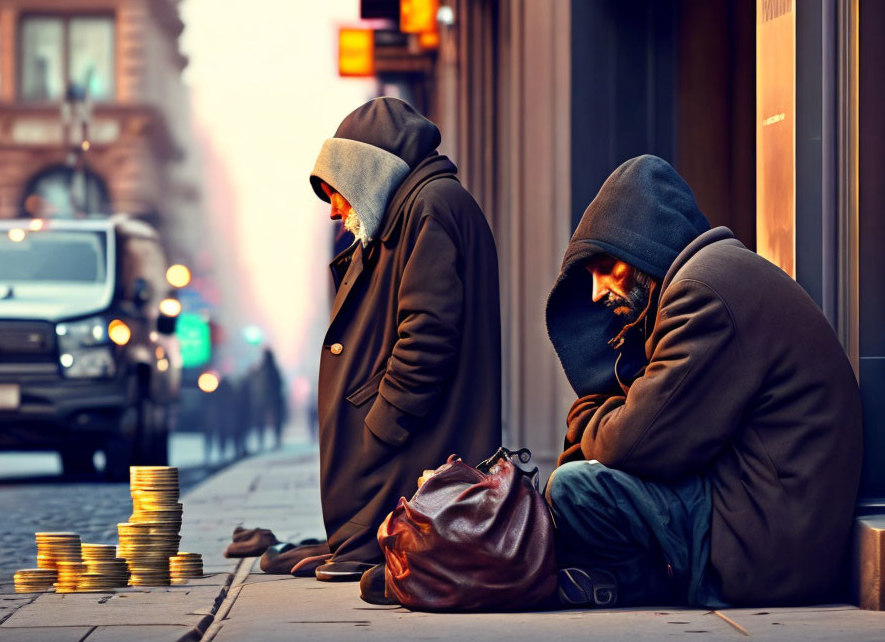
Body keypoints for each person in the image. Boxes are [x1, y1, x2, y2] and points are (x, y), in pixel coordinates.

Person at [543, 154, 863, 608]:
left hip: (765, 547)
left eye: (603, 268)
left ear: (643, 247)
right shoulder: (718, 276)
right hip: (771, 526)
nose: (596, 293)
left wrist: (591, 416)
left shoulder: (704, 294)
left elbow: (636, 446)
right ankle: (616, 582)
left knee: (577, 489)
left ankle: (633, 584)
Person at [231, 97, 502, 581]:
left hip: (414, 439)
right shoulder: (412, 210)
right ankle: (365, 543)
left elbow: (428, 333)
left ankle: (387, 548)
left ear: (368, 172)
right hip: (406, 441)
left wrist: (383, 423)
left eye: (336, 191)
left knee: (383, 545)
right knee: (334, 554)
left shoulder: (430, 206)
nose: (334, 210)